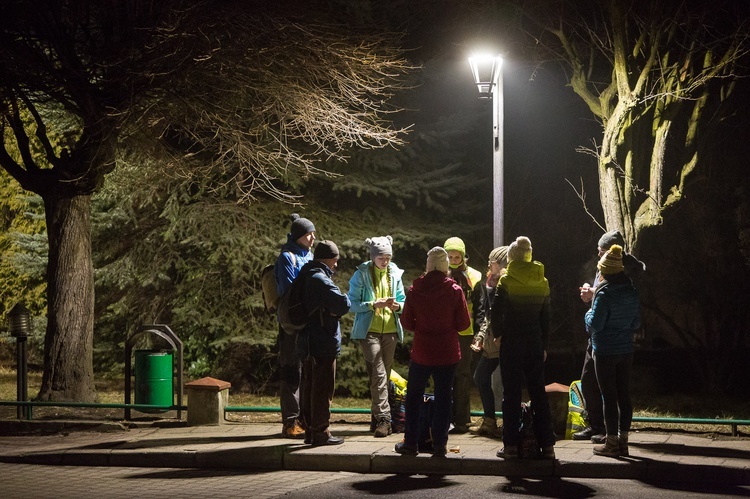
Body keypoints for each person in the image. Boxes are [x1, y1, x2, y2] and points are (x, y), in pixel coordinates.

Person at [394, 247, 471, 457]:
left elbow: (407, 322)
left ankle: (410, 443)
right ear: (446, 266)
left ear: (427, 266)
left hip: (422, 352)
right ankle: (439, 444)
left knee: (414, 397)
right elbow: (464, 323)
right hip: (447, 352)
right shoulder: (455, 291)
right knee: (444, 398)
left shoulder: (415, 290)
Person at [575, 229, 645, 444]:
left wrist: (591, 306)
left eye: (602, 251)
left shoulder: (627, 274)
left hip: (605, 344)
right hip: (621, 344)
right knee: (594, 383)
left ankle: (610, 437)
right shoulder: (622, 284)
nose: (599, 256)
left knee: (610, 393)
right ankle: (611, 433)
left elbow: (596, 320)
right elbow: (634, 319)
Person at [493, 236, 556, 460]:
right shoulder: (543, 280)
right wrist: (544, 344)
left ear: (511, 257)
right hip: (534, 342)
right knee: (538, 392)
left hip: (511, 342)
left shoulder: (506, 280)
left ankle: (510, 445)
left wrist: (498, 334)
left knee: (510, 394)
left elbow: (496, 311)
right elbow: (546, 317)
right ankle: (547, 445)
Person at [348, 236, 406, 438]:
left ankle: (377, 418)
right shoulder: (361, 274)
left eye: (388, 257)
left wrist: (398, 306)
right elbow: (352, 303)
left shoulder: (395, 273)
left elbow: (402, 300)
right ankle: (384, 419)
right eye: (381, 257)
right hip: (369, 332)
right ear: (373, 257)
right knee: (380, 373)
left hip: (390, 331)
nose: (385, 261)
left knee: (382, 375)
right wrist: (373, 304)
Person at [296, 240, 351, 446]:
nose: (336, 265)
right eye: (335, 260)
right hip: (322, 341)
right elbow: (343, 304)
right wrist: (340, 302)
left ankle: (310, 431)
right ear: (327, 258)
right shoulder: (320, 279)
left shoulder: (305, 275)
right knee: (322, 389)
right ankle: (321, 432)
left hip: (307, 341)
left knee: (310, 386)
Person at [274, 213, 316, 438]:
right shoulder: (287, 258)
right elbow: (291, 291)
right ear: (299, 235)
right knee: (291, 371)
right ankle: (290, 422)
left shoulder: (309, 256)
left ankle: (303, 420)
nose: (313, 238)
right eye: (309, 234)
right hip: (291, 325)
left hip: (308, 322)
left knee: (307, 372)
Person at [443, 236, 485, 434]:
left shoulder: (475, 277)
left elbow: (480, 308)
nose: (452, 260)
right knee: (445, 375)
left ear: (463, 256)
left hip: (465, 333)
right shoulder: (439, 274)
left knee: (462, 375)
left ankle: (461, 419)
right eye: (449, 256)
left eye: (456, 256)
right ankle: (444, 417)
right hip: (443, 332)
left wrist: (479, 333)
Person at [469, 246, 508, 438]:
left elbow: (499, 313)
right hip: (492, 339)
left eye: (492, 261)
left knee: (509, 383)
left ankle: (509, 424)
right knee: (480, 377)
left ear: (500, 264)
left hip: (504, 339)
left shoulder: (505, 283)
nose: (489, 265)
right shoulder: (489, 282)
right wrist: (480, 336)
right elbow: (487, 314)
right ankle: (490, 420)